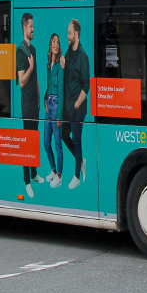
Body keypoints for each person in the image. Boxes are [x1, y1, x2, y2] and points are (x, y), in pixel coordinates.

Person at [15, 12, 43, 198]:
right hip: (26, 103)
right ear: (25, 28)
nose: (33, 29)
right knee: (27, 142)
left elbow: (36, 77)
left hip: (35, 101)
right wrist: (30, 67)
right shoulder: (21, 51)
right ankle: (26, 181)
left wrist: (40, 97)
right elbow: (22, 81)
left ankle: (34, 174)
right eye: (31, 26)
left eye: (33, 26)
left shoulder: (33, 50)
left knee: (34, 139)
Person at [60, 18, 89, 190]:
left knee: (77, 141)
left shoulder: (83, 57)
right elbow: (68, 78)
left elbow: (86, 86)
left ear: (76, 34)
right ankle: (81, 160)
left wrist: (77, 104)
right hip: (67, 106)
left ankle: (77, 175)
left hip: (77, 107)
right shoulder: (69, 53)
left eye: (69, 33)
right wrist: (64, 67)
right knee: (64, 135)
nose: (67, 36)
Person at [42, 33, 65, 188]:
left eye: (57, 42)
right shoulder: (48, 63)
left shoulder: (60, 64)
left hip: (57, 104)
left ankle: (59, 175)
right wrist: (45, 98)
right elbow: (48, 84)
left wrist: (60, 115)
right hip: (49, 103)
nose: (55, 44)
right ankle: (53, 169)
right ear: (50, 45)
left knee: (57, 143)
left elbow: (62, 89)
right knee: (45, 141)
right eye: (53, 41)